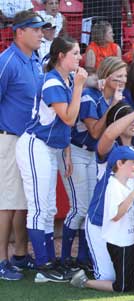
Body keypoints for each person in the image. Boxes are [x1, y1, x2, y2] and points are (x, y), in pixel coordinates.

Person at [16, 36, 87, 282]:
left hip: (50, 147)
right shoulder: (52, 81)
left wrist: (66, 152)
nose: (79, 57)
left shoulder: (65, 80)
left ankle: (48, 262)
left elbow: (64, 126)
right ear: (61, 56)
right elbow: (69, 118)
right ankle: (43, 264)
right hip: (35, 145)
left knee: (49, 208)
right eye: (75, 53)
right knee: (39, 208)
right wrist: (79, 87)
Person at [58, 57, 127, 272]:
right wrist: (114, 105)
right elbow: (95, 131)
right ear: (105, 77)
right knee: (79, 208)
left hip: (92, 156)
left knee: (89, 209)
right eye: (117, 77)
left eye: (124, 76)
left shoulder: (114, 97)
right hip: (75, 151)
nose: (122, 81)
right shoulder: (90, 96)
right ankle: (64, 259)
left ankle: (82, 258)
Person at [70, 146, 134, 292]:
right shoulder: (113, 186)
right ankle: (85, 282)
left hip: (130, 239)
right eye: (133, 163)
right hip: (120, 242)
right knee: (122, 286)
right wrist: (132, 196)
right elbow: (116, 215)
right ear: (120, 164)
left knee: (133, 280)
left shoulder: (130, 183)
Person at [0, 11, 48, 281]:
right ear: (20, 32)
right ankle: (1, 260)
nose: (41, 34)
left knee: (22, 201)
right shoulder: (6, 61)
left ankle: (19, 254)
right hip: (7, 138)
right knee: (6, 203)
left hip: (27, 140)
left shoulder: (35, 60)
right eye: (36, 29)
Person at [85, 101, 134, 283]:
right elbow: (107, 134)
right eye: (127, 118)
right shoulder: (111, 150)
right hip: (101, 223)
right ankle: (83, 278)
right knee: (108, 277)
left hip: (127, 227)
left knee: (130, 278)